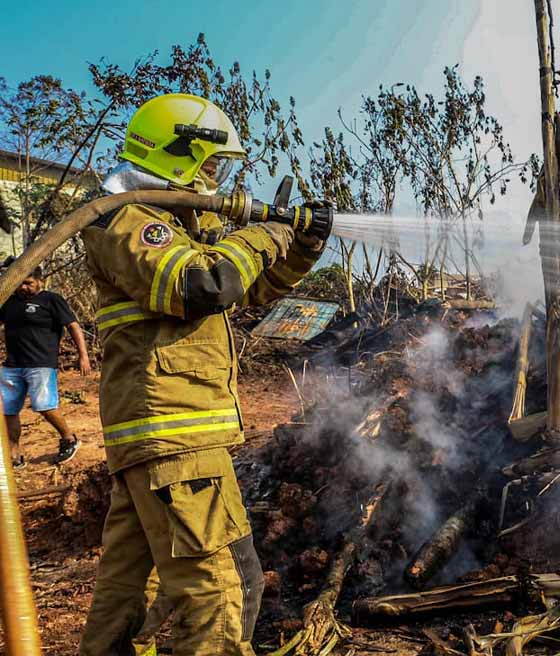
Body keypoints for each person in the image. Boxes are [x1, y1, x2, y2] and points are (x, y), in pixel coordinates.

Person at [78, 93, 325, 656]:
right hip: (173, 438)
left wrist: (302, 241)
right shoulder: (124, 219)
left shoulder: (176, 220)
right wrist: (270, 231)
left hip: (161, 440)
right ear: (176, 155)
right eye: (211, 163)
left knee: (125, 596)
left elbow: (249, 287)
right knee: (223, 594)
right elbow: (204, 286)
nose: (217, 177)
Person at [0, 265, 91, 467]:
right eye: (19, 283)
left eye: (28, 283)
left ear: (40, 280)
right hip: (12, 365)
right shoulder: (8, 302)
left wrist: (83, 355)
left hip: (41, 364)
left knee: (44, 406)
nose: (23, 287)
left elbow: (73, 326)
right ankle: (14, 455)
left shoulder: (51, 300)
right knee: (8, 410)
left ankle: (69, 439)